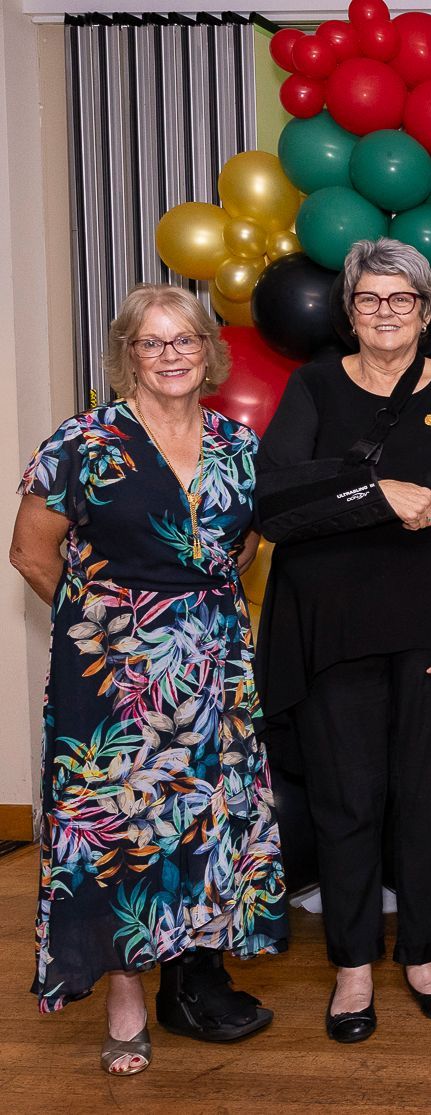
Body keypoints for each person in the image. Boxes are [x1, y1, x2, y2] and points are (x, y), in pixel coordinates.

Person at [257, 238, 431, 1043]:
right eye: (371, 299)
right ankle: (350, 966)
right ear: (349, 311)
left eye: (402, 299)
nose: (386, 312)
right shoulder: (311, 389)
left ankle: (420, 954)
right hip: (333, 641)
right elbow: (271, 500)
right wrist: (375, 490)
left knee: (426, 800)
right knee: (347, 807)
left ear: (425, 311)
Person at [11, 284, 284, 1074]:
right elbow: (32, 551)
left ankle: (191, 978)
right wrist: (107, 630)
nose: (170, 354)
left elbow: (243, 546)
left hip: (215, 677)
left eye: (184, 340)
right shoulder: (84, 440)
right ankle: (125, 998)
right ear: (127, 352)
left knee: (200, 828)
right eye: (152, 342)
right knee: (124, 836)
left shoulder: (237, 442)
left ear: (208, 350)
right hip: (116, 685)